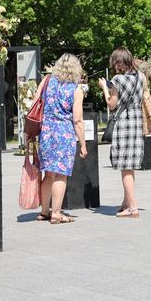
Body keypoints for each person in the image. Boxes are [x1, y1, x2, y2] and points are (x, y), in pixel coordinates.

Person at [35, 53, 87, 224]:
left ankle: (44, 211)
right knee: (61, 174)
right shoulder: (76, 89)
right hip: (64, 134)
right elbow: (78, 120)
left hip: (46, 132)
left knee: (48, 173)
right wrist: (83, 144)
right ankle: (56, 213)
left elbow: (35, 103)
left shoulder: (47, 81)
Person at [98, 47, 144, 218]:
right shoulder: (141, 77)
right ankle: (126, 202)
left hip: (124, 124)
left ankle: (133, 206)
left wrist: (104, 87)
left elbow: (111, 104)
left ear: (117, 63)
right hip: (136, 123)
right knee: (130, 166)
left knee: (124, 168)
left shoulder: (117, 80)